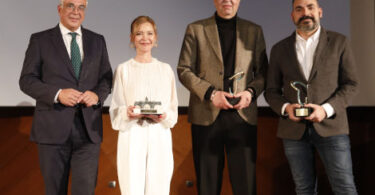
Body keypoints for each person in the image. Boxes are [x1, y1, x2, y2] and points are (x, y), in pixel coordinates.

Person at [19, 0, 113, 194]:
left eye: (81, 7)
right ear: (59, 9)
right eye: (70, 5)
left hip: (88, 131)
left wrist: (97, 95)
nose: (76, 12)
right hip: (52, 130)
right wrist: (57, 94)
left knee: (85, 191)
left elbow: (106, 79)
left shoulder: (97, 41)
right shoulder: (40, 40)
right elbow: (27, 80)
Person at [265, 0, 358, 194]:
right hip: (293, 131)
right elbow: (271, 91)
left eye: (310, 7)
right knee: (303, 189)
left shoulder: (340, 42)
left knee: (344, 188)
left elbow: (351, 84)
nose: (305, 13)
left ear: (320, 12)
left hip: (332, 128)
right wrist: (285, 108)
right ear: (292, 15)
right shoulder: (279, 49)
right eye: (299, 9)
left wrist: (325, 110)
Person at [177, 0, 268, 194]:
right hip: (206, 114)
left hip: (242, 115)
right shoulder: (196, 29)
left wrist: (250, 93)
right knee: (207, 186)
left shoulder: (254, 30)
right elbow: (184, 70)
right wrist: (211, 93)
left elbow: (263, 74)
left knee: (246, 186)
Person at [109, 16, 178, 195]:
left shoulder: (165, 69)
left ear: (155, 38)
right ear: (132, 38)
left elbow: (173, 111)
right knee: (131, 187)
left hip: (159, 135)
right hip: (132, 134)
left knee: (159, 187)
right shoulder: (124, 69)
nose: (144, 38)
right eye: (139, 33)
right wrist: (127, 112)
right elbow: (116, 109)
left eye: (149, 33)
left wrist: (163, 115)